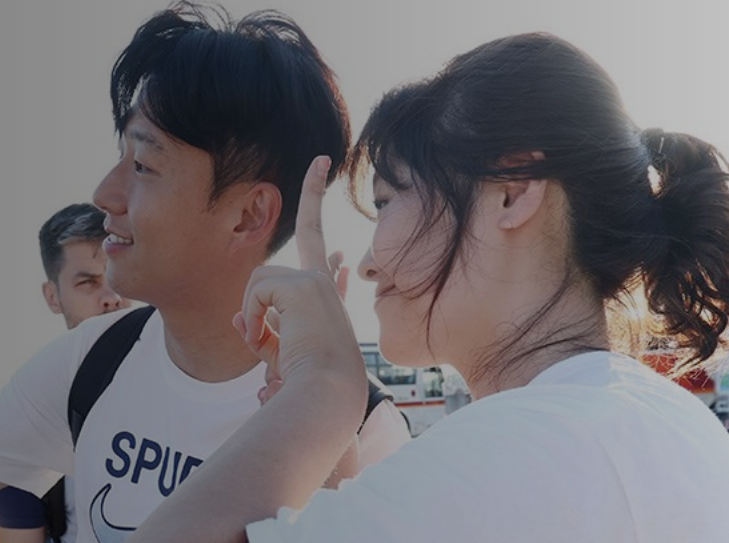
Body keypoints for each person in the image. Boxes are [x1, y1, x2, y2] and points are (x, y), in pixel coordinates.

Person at [124, 32, 729, 543]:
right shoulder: (667, 425)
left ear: (512, 192)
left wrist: (322, 387)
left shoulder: (516, 450)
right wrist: (333, 453)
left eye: (387, 200)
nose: (367, 264)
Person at [0, 3, 409, 543]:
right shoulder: (95, 360)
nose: (105, 194)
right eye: (122, 155)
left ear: (249, 215)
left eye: (143, 165)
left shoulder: (361, 431)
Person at [0, 203, 132, 543]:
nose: (111, 298)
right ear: (52, 296)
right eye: (88, 282)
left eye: (118, 276)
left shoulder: (186, 375)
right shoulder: (37, 409)